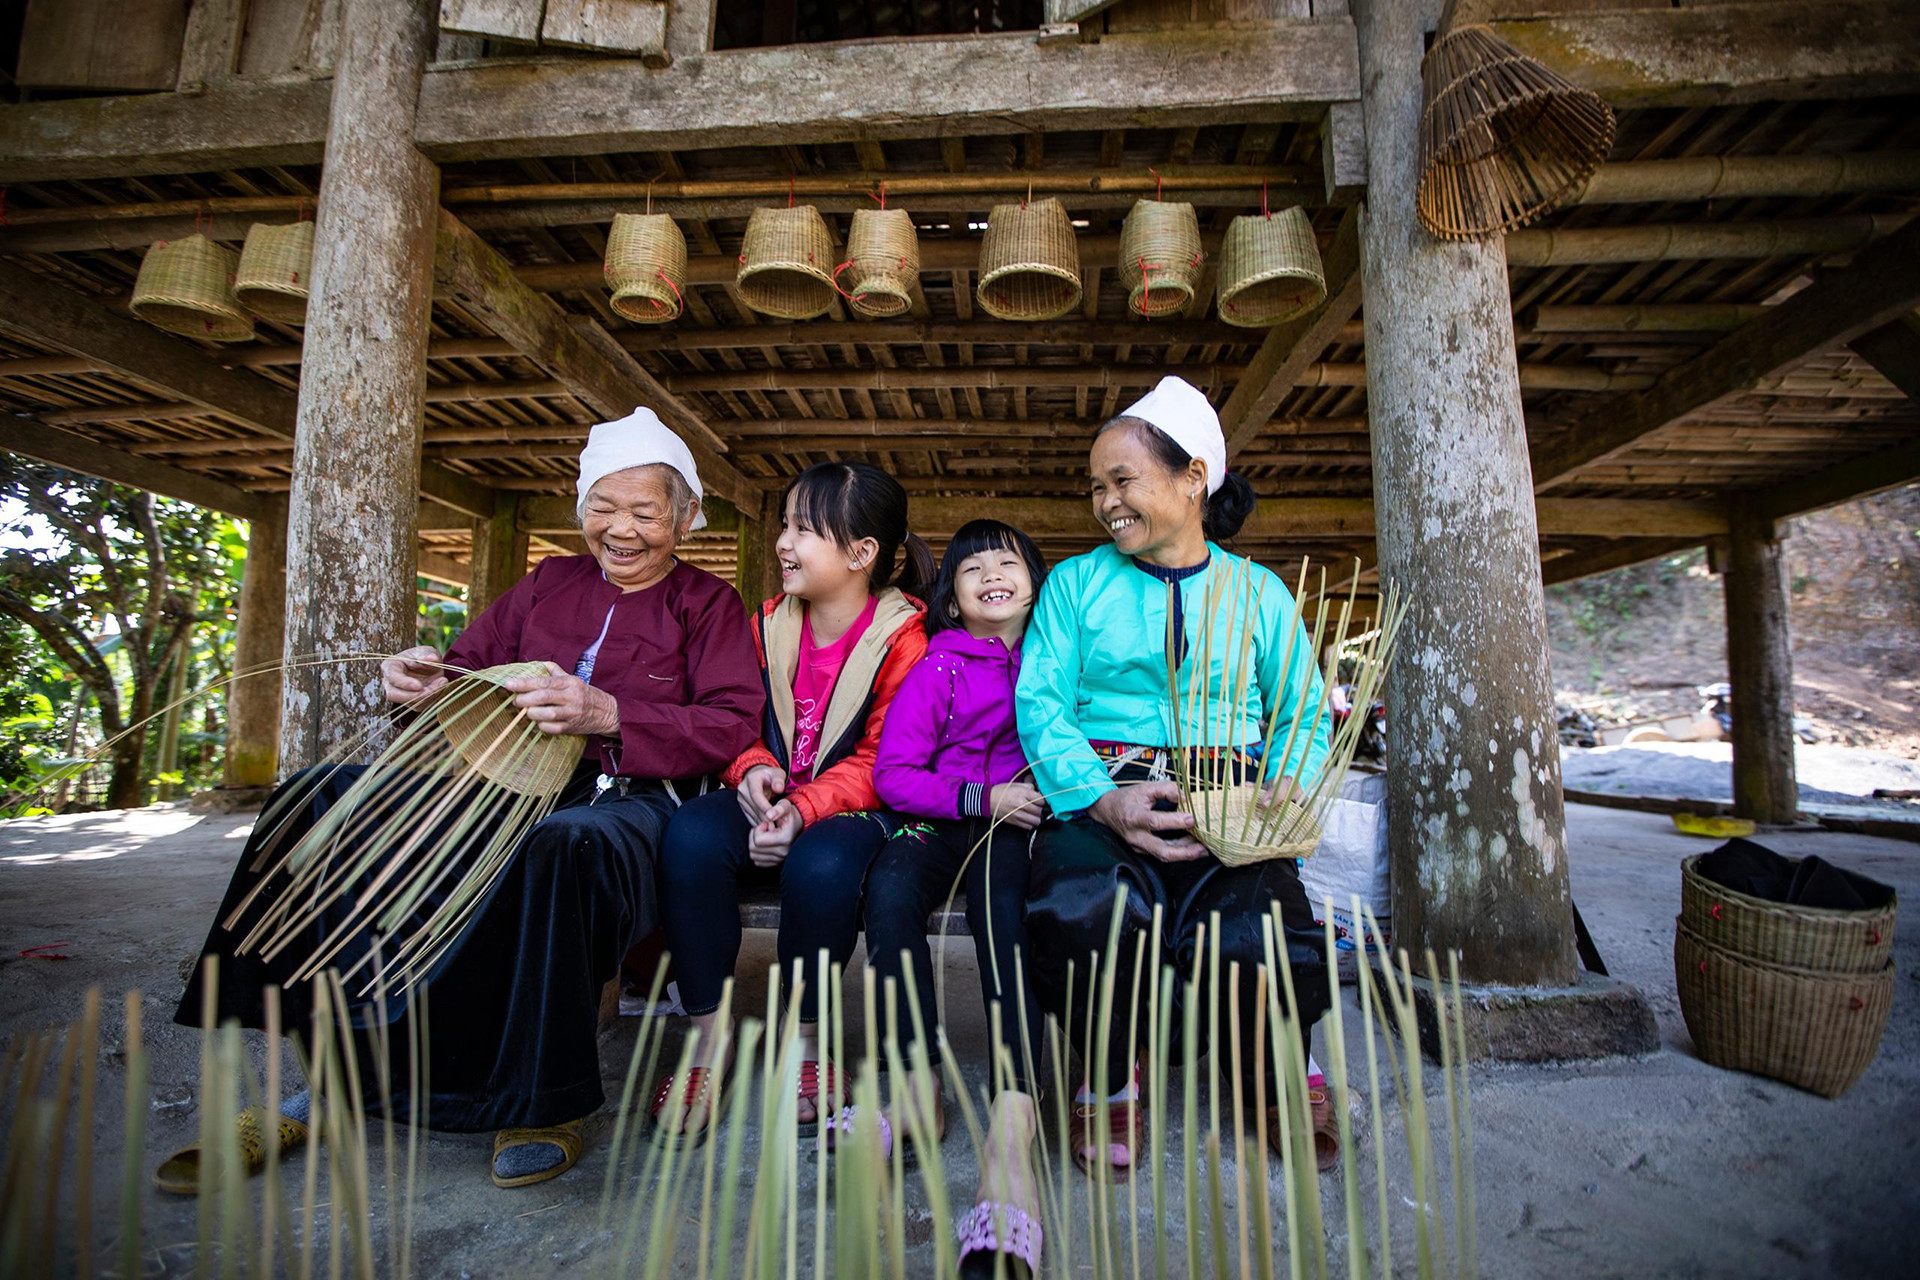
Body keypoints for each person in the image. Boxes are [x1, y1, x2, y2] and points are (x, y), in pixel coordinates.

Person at [169, 408, 763, 1190]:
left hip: (630, 796)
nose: (621, 530)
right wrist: (418, 684)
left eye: (646, 514)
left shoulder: (708, 603)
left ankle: (543, 1100)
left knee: (561, 847)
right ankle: (335, 1074)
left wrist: (610, 713)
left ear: (685, 518)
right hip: (496, 780)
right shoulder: (546, 583)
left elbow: (730, 724)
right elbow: (462, 674)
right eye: (603, 508)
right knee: (318, 799)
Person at [1015, 375, 1338, 1181]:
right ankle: (1109, 1070)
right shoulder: (1075, 584)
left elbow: (1303, 715)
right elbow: (1041, 703)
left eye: (1122, 480)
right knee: (1082, 907)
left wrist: (1284, 790)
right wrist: (1102, 800)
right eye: (1096, 487)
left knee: (1264, 926)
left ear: (1194, 477)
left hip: (1232, 799)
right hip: (1104, 788)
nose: (1105, 503)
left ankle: (1273, 1064)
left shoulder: (1259, 593)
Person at [653, 461, 932, 1144]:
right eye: (785, 524)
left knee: (823, 866)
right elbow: (730, 719)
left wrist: (806, 810)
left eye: (804, 529)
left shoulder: (906, 640)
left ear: (861, 553)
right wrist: (749, 769)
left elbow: (884, 760)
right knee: (690, 836)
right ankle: (708, 1036)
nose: (783, 542)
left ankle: (806, 1035)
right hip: (768, 793)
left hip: (856, 806)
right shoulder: (766, 625)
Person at [840, 518, 1049, 1275]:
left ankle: (1014, 1115)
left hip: (1015, 830)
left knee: (1005, 912)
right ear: (953, 600)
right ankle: (918, 1080)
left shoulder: (1055, 662)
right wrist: (981, 797)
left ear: (1035, 584)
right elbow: (895, 774)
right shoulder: (939, 666)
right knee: (890, 889)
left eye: (1008, 562)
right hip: (943, 816)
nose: (992, 574)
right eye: (973, 568)